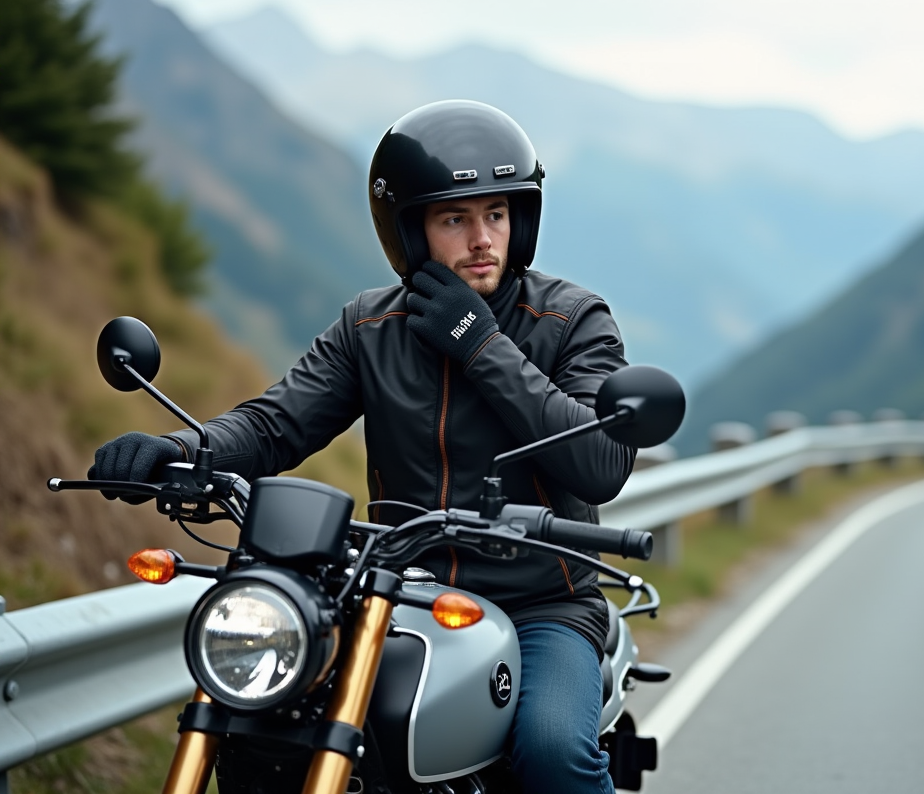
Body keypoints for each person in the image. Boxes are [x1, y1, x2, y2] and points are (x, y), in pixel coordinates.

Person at [89, 100, 633, 793]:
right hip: (393, 598)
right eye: (453, 219)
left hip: (540, 606)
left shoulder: (573, 320)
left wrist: (481, 346)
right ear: (409, 231)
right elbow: (275, 423)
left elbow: (599, 463)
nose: (481, 239)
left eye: (496, 213)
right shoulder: (370, 326)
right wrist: (181, 451)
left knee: (554, 753)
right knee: (280, 727)